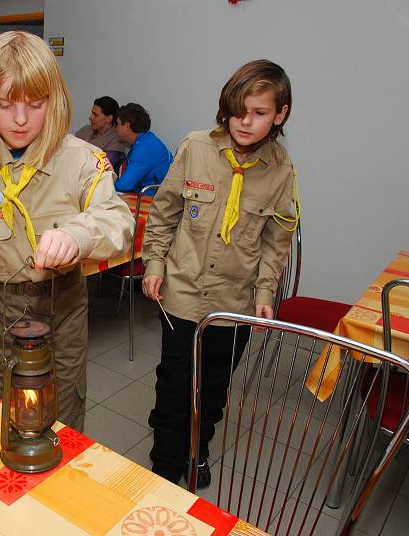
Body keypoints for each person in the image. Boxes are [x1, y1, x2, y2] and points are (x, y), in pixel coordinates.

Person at [0, 31, 133, 431]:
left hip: (62, 305)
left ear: (55, 100)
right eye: (5, 105)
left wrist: (77, 235)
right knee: (4, 414)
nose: (22, 119)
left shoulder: (83, 160)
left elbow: (118, 221)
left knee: (64, 417)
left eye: (36, 104)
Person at [142, 59, 296, 488]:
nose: (245, 122)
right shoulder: (195, 148)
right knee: (174, 385)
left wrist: (266, 291)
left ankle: (199, 447)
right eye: (237, 110)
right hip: (182, 297)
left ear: (280, 114)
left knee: (212, 389)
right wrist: (154, 262)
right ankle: (166, 466)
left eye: (259, 113)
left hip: (234, 305)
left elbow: (275, 241)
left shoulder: (282, 172)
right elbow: (164, 212)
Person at [114, 102, 172, 194]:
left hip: (153, 203)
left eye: (118, 124)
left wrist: (104, 185)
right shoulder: (145, 141)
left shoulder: (146, 147)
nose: (115, 129)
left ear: (127, 126)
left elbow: (123, 186)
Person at [74, 96, 129, 173]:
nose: (90, 117)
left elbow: (101, 166)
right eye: (91, 113)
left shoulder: (117, 140)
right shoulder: (85, 130)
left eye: (95, 115)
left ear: (109, 118)